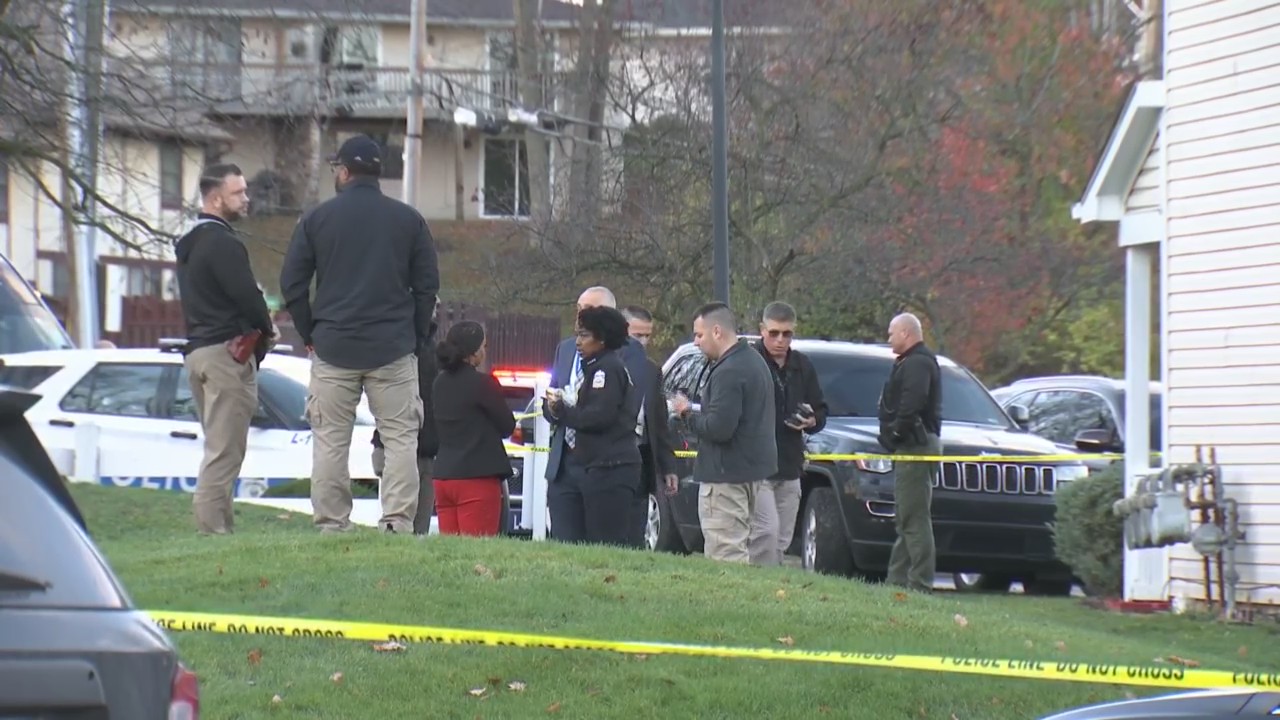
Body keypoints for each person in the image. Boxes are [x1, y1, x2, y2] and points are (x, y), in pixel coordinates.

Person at [279, 134, 439, 534]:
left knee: (331, 440)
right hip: (393, 348)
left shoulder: (317, 219)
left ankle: (333, 523)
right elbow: (427, 287)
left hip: (334, 346)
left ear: (344, 172)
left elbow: (292, 283)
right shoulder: (408, 220)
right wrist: (415, 336)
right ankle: (397, 522)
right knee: (401, 438)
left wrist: (309, 330)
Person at [174, 163, 274, 535]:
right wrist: (265, 328)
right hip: (226, 355)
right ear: (216, 198)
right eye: (238, 193)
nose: (246, 199)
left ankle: (219, 529)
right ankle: (213, 532)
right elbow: (248, 297)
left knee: (218, 447)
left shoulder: (189, 243)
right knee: (224, 452)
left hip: (198, 352)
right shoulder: (222, 243)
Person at [670, 302, 776, 563]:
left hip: (725, 478)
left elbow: (718, 429)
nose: (696, 342)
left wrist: (686, 413)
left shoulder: (728, 371)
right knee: (742, 550)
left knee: (725, 556)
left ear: (717, 331)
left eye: (699, 334)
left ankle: (729, 603)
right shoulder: (754, 361)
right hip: (750, 473)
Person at [543, 286, 647, 538]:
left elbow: (608, 412)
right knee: (565, 540)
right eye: (579, 310)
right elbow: (556, 391)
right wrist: (554, 408)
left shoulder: (621, 357)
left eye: (589, 312)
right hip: (567, 462)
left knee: (603, 541)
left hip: (606, 462)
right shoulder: (567, 349)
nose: (581, 318)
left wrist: (566, 412)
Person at [749, 301, 828, 566]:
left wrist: (810, 420)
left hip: (791, 464)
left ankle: (774, 591)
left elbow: (821, 411)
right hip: (757, 466)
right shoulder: (750, 361)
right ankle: (755, 588)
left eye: (787, 334)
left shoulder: (803, 366)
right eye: (774, 333)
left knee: (781, 540)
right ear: (762, 330)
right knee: (765, 534)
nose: (781, 340)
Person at [878, 312, 943, 594]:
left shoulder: (918, 363)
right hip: (912, 444)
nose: (888, 338)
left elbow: (911, 404)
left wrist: (894, 434)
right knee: (907, 516)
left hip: (916, 445)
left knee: (914, 518)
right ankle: (896, 582)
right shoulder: (912, 361)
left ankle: (920, 584)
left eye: (892, 332)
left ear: (906, 333)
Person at [430, 321, 515, 536]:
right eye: (484, 346)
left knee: (449, 553)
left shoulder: (439, 383)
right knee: (477, 551)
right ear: (474, 352)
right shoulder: (484, 383)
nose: (485, 351)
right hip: (477, 477)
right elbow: (507, 426)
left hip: (444, 476)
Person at [371, 310, 439, 535]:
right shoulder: (416, 350)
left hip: (414, 447)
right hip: (410, 448)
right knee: (410, 525)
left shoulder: (426, 348)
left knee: (408, 522)